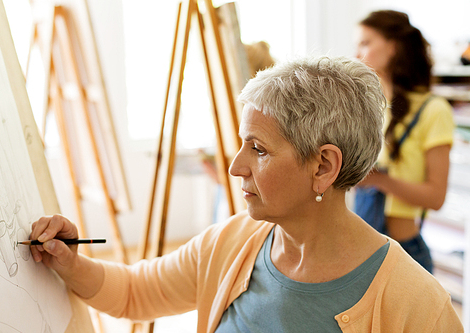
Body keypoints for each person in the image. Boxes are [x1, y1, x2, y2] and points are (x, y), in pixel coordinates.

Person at [29, 56, 463, 332]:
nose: (236, 166)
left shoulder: (417, 305)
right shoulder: (232, 242)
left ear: (323, 167)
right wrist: (70, 262)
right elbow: (132, 292)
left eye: (258, 149)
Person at [355, 10, 455, 273]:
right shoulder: (377, 108)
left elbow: (436, 196)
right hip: (363, 251)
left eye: (366, 43)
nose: (358, 54)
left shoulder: (434, 110)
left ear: (393, 47)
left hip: (404, 255)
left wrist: (379, 179)